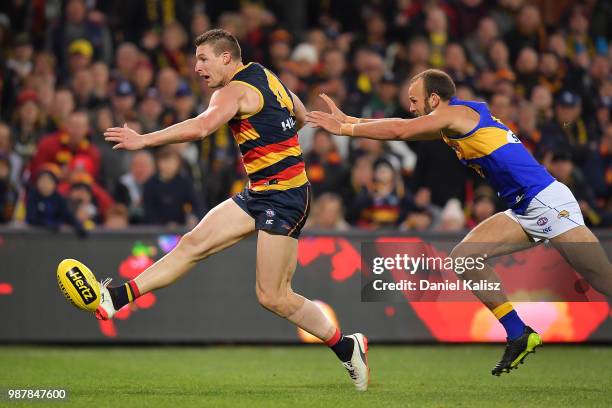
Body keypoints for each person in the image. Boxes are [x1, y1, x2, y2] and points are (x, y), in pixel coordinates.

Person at [95, 29, 367, 390]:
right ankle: (117, 298)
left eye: (203, 59)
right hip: (260, 192)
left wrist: (144, 139)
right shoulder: (268, 75)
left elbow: (203, 126)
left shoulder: (234, 89)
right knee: (193, 243)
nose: (197, 68)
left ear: (226, 57)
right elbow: (300, 115)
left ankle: (347, 345)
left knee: (273, 296)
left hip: (285, 197)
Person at [306, 69, 612, 376]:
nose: (411, 107)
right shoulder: (452, 121)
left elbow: (400, 130)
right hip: (523, 208)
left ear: (434, 99)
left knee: (602, 278)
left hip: (546, 200)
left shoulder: (456, 115)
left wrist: (345, 129)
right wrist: (350, 119)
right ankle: (519, 333)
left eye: (415, 100)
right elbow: (402, 125)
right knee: (464, 259)